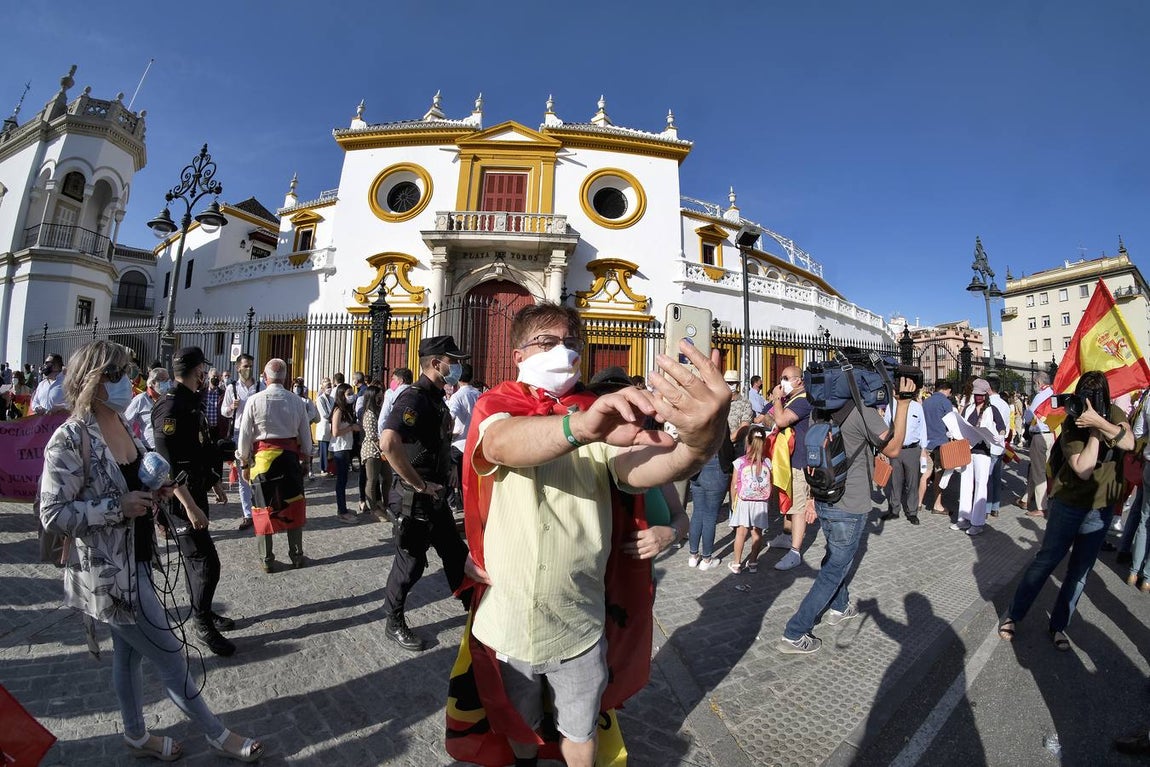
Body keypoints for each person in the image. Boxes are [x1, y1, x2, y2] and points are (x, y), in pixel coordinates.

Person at [460, 302, 728, 766]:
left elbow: (644, 470)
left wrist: (700, 444)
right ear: (519, 354)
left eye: (571, 344)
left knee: (580, 731)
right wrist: (579, 427)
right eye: (548, 342)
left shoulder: (599, 413)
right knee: (518, 727)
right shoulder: (497, 405)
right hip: (506, 617)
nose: (563, 353)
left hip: (579, 621)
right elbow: (502, 445)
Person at [38, 340, 262, 762]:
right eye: (119, 374)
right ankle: (218, 735)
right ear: (94, 381)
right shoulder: (68, 438)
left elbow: (139, 477)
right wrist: (114, 508)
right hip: (108, 575)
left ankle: (136, 736)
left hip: (140, 559)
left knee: (127, 657)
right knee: (172, 658)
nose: (130, 382)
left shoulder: (123, 424)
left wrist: (155, 492)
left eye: (129, 373)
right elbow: (52, 513)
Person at [778, 353, 916, 655]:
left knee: (835, 556)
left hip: (825, 496)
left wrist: (813, 500)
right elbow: (892, 448)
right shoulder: (862, 411)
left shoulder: (818, 411)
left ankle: (840, 607)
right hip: (850, 503)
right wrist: (903, 404)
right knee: (835, 567)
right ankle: (795, 631)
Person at [999, 371, 1134, 650]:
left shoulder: (1115, 412)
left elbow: (1129, 443)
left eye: (1094, 401)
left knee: (1079, 572)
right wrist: (1097, 431)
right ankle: (1013, 614)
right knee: (1046, 562)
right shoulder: (1072, 420)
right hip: (1069, 506)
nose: (1088, 406)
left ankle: (1059, 625)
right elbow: (1084, 469)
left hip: (1100, 510)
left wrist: (1100, 422)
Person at [379, 336, 471, 651]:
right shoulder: (415, 397)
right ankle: (393, 620)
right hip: (414, 498)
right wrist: (419, 483)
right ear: (435, 363)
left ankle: (475, 615)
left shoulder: (434, 398)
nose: (457, 366)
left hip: (434, 496)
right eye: (453, 361)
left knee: (456, 554)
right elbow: (388, 442)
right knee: (411, 563)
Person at [151, 346, 236, 657]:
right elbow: (167, 464)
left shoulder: (190, 401)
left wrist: (214, 483)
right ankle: (201, 622)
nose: (205, 375)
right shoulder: (171, 406)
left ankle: (203, 609)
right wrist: (188, 505)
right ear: (198, 369)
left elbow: (198, 450)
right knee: (206, 563)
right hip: (179, 499)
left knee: (196, 562)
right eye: (203, 369)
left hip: (195, 491)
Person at [236, 359, 313, 573]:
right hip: (289, 459)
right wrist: (306, 459)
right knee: (294, 504)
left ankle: (267, 559)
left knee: (262, 508)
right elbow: (305, 435)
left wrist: (243, 462)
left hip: (262, 461)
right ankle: (296, 555)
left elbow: (244, 436)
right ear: (285, 376)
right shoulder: (296, 401)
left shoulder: (254, 400)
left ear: (264, 375)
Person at [756, 365, 815, 569]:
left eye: (786, 378)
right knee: (788, 501)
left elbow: (780, 420)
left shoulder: (803, 400)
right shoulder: (792, 400)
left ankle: (795, 551)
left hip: (799, 462)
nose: (782, 381)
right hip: (787, 461)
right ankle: (787, 535)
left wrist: (775, 399)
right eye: (781, 377)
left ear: (799, 381)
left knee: (798, 507)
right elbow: (771, 420)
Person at [952, 378, 1006, 537]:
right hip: (967, 450)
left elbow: (1002, 427)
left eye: (981, 395)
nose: (978, 398)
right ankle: (963, 518)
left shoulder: (992, 409)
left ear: (986, 395)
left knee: (981, 485)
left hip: (983, 451)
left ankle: (977, 522)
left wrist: (1000, 436)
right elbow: (961, 425)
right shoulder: (968, 408)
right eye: (976, 395)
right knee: (965, 484)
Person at [221, 354, 263, 530]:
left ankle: (261, 509)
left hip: (258, 432)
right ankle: (247, 514)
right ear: (238, 367)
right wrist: (232, 407)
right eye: (245, 366)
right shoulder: (232, 388)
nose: (248, 369)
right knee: (243, 475)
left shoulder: (260, 386)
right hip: (239, 432)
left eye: (250, 366)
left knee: (260, 472)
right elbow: (224, 411)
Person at [881, 387, 927, 525]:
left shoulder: (917, 407)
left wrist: (923, 450)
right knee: (895, 481)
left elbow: (922, 428)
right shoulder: (892, 406)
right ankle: (894, 509)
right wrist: (883, 448)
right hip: (896, 448)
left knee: (913, 482)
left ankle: (912, 512)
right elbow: (885, 426)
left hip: (912, 449)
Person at [728, 425, 771, 573]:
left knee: (741, 533)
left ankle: (736, 563)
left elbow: (734, 484)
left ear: (748, 442)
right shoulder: (768, 462)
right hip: (761, 502)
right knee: (757, 533)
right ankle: (753, 562)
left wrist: (733, 502)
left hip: (744, 501)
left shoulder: (739, 462)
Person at [1021, 370, 1056, 517]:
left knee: (1039, 471)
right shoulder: (1054, 394)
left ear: (1038, 382)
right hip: (1052, 435)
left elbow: (1028, 417)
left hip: (1039, 435)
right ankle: (1025, 499)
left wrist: (1026, 417)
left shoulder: (1040, 396)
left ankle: (1042, 507)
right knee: (1040, 469)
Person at [447, 363, 481, 510]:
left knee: (462, 483)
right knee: (475, 482)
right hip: (476, 442)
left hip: (459, 445)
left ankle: (463, 509)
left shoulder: (457, 397)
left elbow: (450, 416)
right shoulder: (479, 394)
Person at [922, 379, 959, 515]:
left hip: (926, 443)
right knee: (939, 473)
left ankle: (919, 503)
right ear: (947, 389)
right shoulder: (945, 402)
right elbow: (951, 424)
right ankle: (937, 505)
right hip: (940, 443)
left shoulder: (926, 402)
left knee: (925, 473)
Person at [329, 382, 360, 523]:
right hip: (339, 448)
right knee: (341, 481)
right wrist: (351, 428)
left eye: (352, 393)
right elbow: (335, 432)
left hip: (346, 447)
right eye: (348, 394)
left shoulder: (347, 410)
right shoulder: (338, 410)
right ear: (342, 395)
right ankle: (342, 511)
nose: (351, 396)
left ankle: (343, 508)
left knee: (344, 479)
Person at [123, 367, 170, 450]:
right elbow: (126, 423)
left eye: (167, 380)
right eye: (163, 380)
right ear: (152, 383)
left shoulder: (169, 400)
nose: (167, 383)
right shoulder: (140, 400)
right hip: (149, 449)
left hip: (168, 449)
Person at [984, 375, 1012, 517]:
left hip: (990, 444)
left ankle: (987, 508)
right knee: (996, 477)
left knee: (988, 478)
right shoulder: (1005, 404)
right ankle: (995, 506)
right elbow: (1007, 426)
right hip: (1000, 445)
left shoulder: (988, 404)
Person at [359, 384, 387, 519]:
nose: (381, 397)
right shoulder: (369, 414)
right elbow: (372, 435)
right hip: (372, 450)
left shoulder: (380, 410)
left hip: (382, 450)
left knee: (387, 477)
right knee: (372, 480)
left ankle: (385, 504)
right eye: (379, 395)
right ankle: (373, 509)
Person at [315, 377, 334, 474]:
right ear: (322, 388)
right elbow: (324, 414)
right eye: (327, 387)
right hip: (324, 426)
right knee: (323, 449)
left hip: (331, 426)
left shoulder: (331, 398)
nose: (329, 388)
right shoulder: (320, 399)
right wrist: (333, 416)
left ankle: (330, 467)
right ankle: (323, 467)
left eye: (330, 386)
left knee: (330, 449)